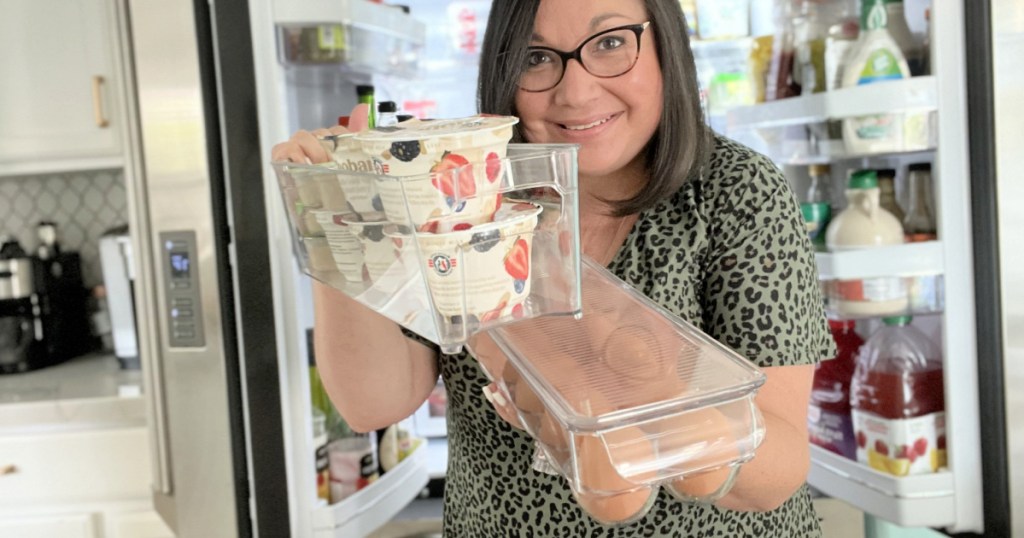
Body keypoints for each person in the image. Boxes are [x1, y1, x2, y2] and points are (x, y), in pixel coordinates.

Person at [272, 0, 835, 535]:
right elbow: (374, 402)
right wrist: (330, 211)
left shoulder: (735, 192)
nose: (577, 91)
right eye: (536, 58)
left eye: (611, 43)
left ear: (667, 45)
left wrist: (646, 407)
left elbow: (776, 472)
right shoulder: (460, 189)